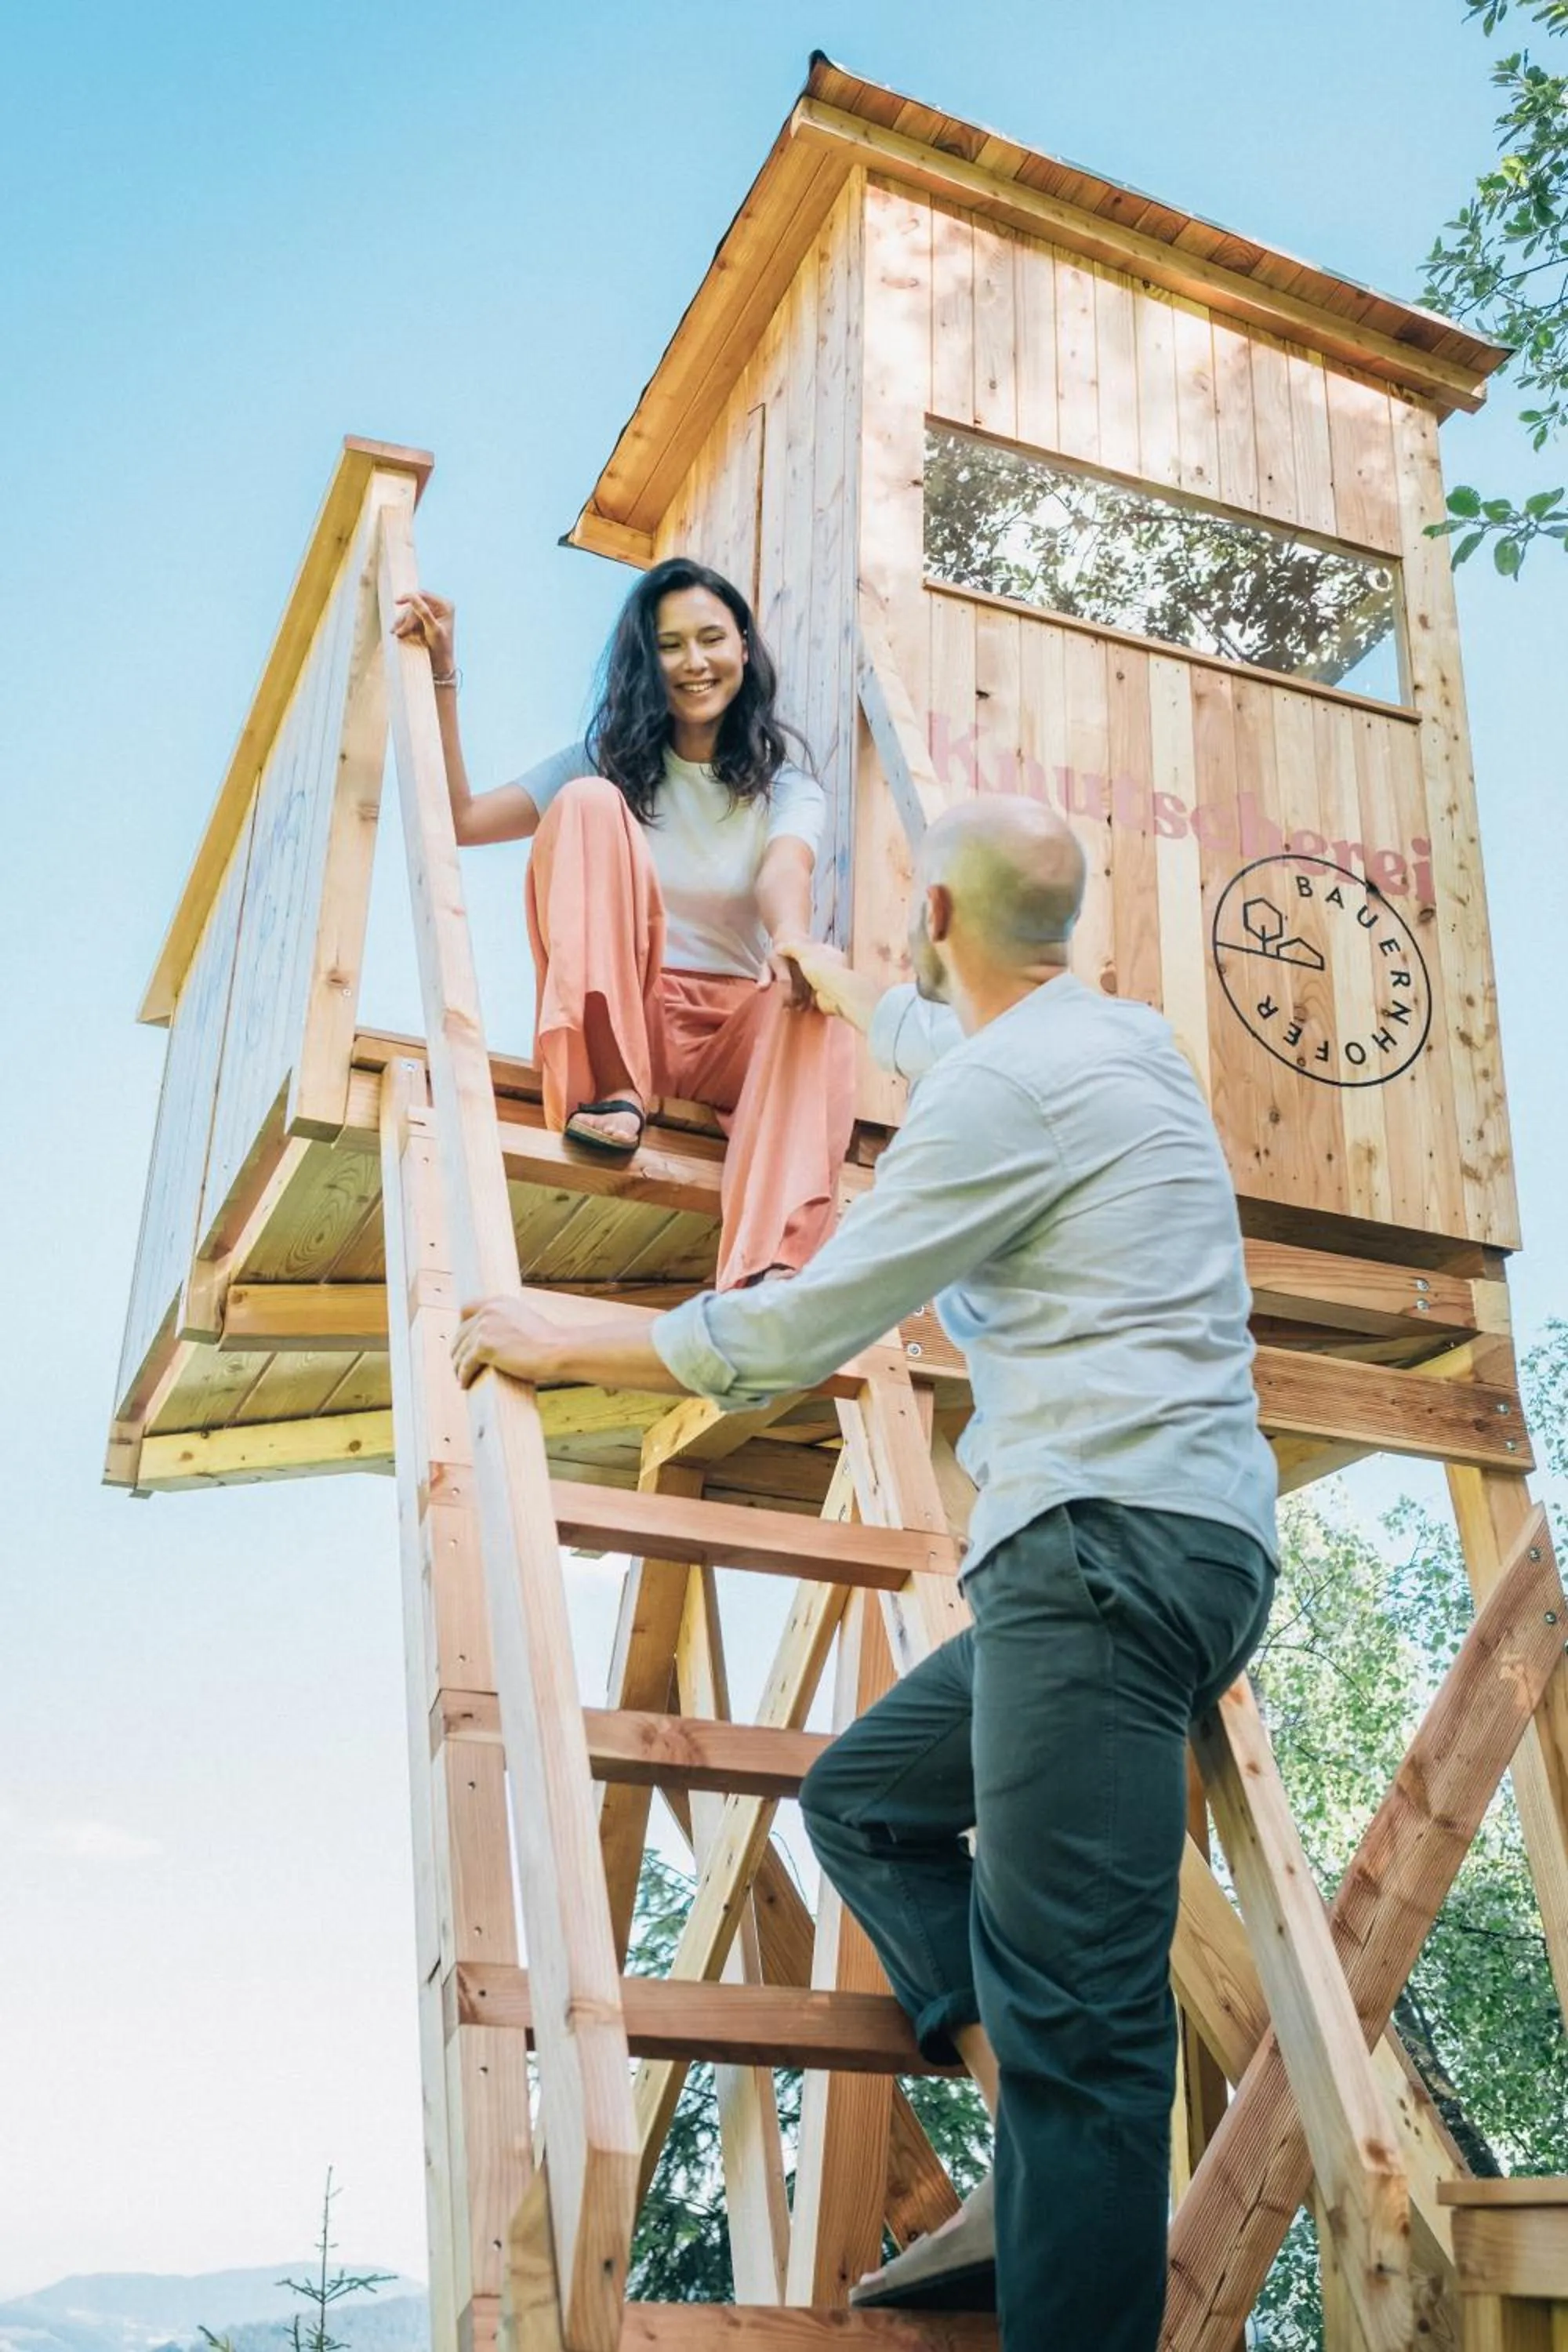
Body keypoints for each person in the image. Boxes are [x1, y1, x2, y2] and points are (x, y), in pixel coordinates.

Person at [448, 793, 1279, 2352]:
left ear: (940, 916)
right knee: (864, 1800)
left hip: (1094, 1563)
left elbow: (799, 1327)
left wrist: (570, 1337)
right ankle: (1022, 2160)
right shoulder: (1129, 1044)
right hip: (1194, 1547)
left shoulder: (991, 1103)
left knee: (1088, 2046)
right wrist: (837, 983)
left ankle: (1046, 2168)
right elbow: (943, 1037)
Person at [393, 557, 856, 1291]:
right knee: (586, 802)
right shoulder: (603, 761)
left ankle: (773, 1268)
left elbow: (784, 869)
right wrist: (443, 675)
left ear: (743, 647)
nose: (694, 662)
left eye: (711, 638)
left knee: (823, 987)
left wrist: (794, 942)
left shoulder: (786, 787)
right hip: (631, 1014)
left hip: (734, 1038)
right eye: (670, 645)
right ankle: (614, 1090)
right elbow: (463, 819)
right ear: (647, 661)